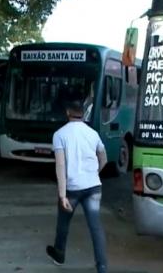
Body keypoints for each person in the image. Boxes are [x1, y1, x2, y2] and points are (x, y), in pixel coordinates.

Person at [46, 100, 108, 273]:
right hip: (93, 187)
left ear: (67, 112)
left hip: (72, 189)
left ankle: (59, 254)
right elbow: (104, 158)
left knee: (63, 223)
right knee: (95, 227)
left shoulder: (60, 134)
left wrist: (62, 195)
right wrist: (94, 173)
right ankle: (102, 267)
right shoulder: (93, 133)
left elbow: (60, 165)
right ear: (83, 113)